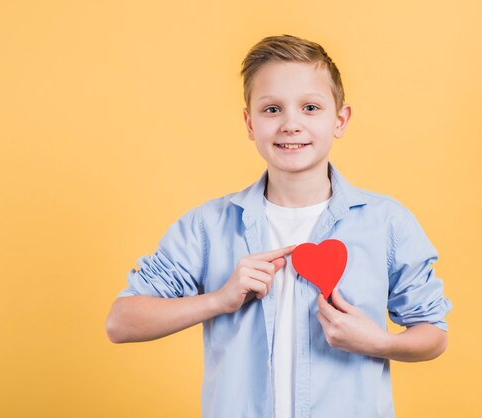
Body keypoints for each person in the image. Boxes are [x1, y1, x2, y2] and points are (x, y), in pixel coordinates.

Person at [106, 34, 452, 418]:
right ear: (249, 123)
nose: (291, 124)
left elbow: (433, 335)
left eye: (310, 107)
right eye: (272, 109)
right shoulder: (208, 227)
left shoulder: (387, 223)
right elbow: (121, 322)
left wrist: (378, 342)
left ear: (339, 120)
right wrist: (218, 300)